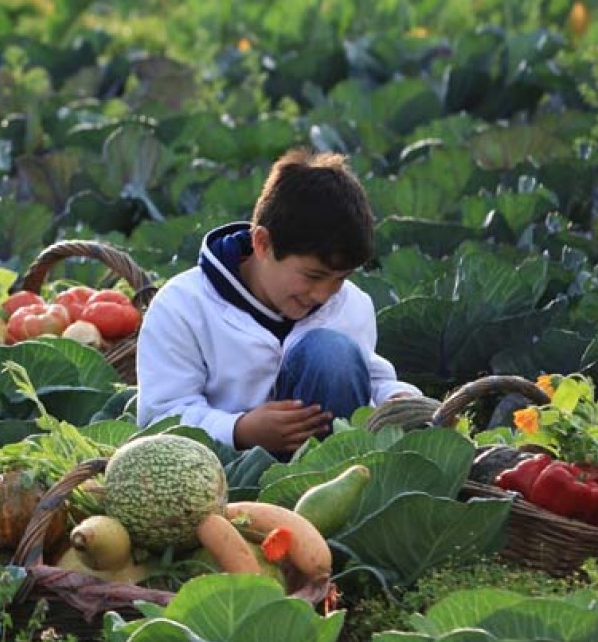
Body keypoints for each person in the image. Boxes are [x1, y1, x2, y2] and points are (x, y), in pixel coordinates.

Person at [135, 149, 418, 453]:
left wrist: (398, 400)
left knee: (332, 354)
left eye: (340, 278)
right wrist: (240, 430)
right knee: (331, 352)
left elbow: (369, 379)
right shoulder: (182, 306)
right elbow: (160, 416)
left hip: (335, 468)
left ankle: (331, 469)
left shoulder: (352, 303)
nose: (324, 294)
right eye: (313, 275)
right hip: (223, 471)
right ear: (262, 243)